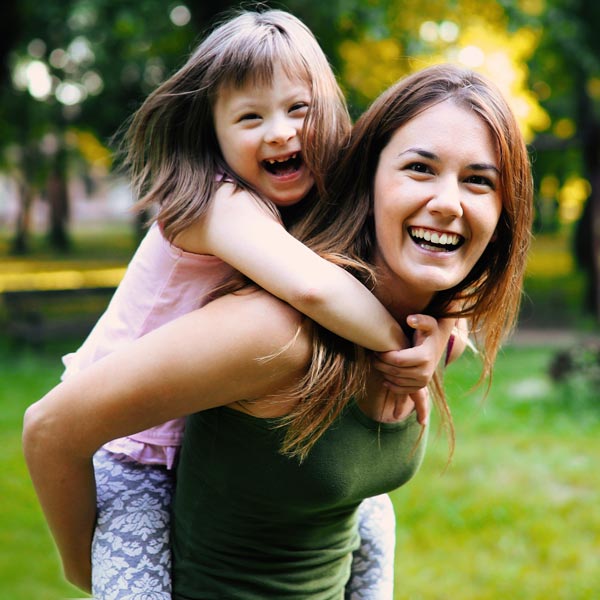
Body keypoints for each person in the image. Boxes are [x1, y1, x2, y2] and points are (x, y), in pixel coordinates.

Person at [23, 63, 532, 599]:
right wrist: (86, 567)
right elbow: (51, 430)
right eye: (420, 169)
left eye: (478, 180)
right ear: (367, 177)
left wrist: (441, 332)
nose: (449, 203)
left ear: (504, 211)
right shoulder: (276, 334)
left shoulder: (429, 332)